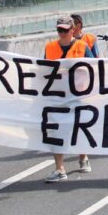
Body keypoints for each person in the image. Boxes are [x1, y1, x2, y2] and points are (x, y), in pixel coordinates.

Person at [43, 16, 95, 182]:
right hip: (58, 95)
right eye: (60, 30)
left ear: (73, 30)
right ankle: (60, 168)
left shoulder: (82, 46)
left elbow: (94, 67)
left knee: (79, 128)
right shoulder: (50, 47)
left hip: (79, 95)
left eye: (65, 30)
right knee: (56, 130)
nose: (62, 33)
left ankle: (83, 156)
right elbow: (45, 69)